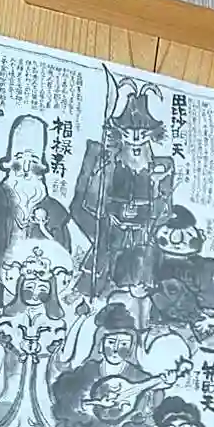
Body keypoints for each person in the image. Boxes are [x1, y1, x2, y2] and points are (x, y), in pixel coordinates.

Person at [0, 115, 72, 308]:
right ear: (9, 163)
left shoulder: (52, 208)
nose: (25, 169)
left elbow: (61, 244)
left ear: (41, 167)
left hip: (31, 271)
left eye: (32, 162)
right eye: (19, 161)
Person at [71, 84, 174, 294]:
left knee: (139, 271)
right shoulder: (110, 162)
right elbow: (90, 202)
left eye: (142, 134)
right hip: (112, 228)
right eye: (128, 133)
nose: (135, 139)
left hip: (142, 233)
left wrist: (156, 186)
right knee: (103, 262)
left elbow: (165, 213)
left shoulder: (162, 166)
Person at [0, 250, 70, 427]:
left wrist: (45, 346)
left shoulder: (55, 321)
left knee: (41, 393)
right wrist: (12, 346)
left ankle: (40, 426)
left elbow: (57, 346)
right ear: (20, 288)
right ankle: (5, 424)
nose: (35, 294)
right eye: (29, 288)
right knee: (11, 391)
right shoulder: (10, 318)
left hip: (40, 366)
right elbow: (3, 341)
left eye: (42, 289)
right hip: (16, 364)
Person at [147, 206, 214, 353]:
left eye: (201, 334)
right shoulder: (209, 274)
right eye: (210, 330)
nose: (202, 328)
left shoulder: (180, 313)